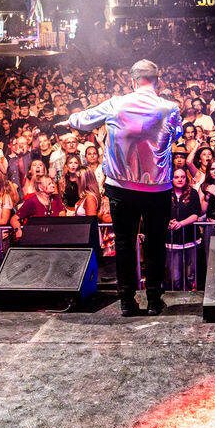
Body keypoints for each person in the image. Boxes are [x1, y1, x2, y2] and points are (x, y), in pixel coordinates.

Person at [64, 58, 181, 317]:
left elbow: (84, 120)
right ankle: (154, 300)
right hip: (157, 188)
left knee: (125, 243)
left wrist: (69, 120)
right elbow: (176, 135)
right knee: (155, 243)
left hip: (121, 186)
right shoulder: (170, 107)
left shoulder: (116, 103)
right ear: (157, 81)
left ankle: (127, 301)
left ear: (133, 81)